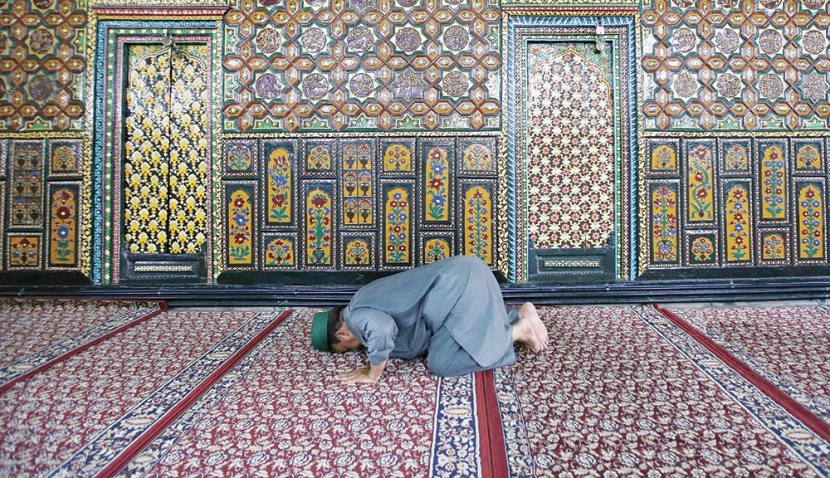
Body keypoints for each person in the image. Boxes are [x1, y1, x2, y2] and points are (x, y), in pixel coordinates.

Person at [310, 255, 549, 384]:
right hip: (468, 272)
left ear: (342, 334)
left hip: (458, 290)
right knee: (459, 334)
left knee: (443, 363)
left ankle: (517, 332)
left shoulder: (357, 316)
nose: (354, 351)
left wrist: (373, 373)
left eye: (345, 349)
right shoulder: (362, 299)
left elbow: (382, 329)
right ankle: (517, 314)